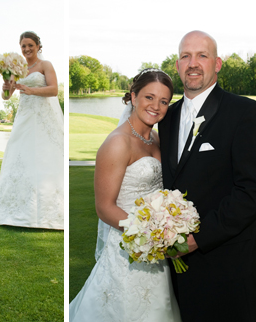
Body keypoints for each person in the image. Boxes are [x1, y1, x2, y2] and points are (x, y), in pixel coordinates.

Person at [159, 31, 256, 322]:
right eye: (186, 56)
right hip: (175, 275)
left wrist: (198, 238)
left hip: (228, 270)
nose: (193, 63)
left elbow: (254, 190)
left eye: (202, 55)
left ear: (217, 64)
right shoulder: (166, 118)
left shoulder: (246, 112)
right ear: (177, 65)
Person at [68, 69, 181, 321]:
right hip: (128, 246)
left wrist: (167, 227)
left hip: (156, 249)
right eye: (149, 97)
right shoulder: (117, 142)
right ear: (133, 96)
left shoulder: (156, 139)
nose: (156, 107)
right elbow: (104, 207)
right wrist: (148, 234)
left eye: (164, 101)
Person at [0, 31, 64, 230]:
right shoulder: (17, 69)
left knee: (45, 158)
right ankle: (18, 210)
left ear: (38, 46)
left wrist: (31, 90)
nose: (26, 49)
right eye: (23, 46)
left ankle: (48, 211)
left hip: (43, 118)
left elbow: (54, 90)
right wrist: (6, 87)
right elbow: (7, 96)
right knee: (19, 156)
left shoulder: (45, 65)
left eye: (30, 45)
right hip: (24, 118)